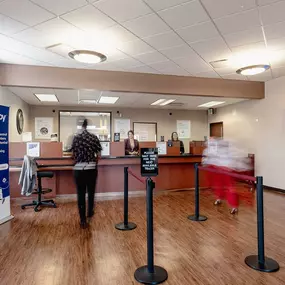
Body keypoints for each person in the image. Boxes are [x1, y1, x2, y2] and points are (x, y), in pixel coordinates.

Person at [71, 119, 102, 229]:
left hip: (78, 170)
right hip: (91, 168)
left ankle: (83, 220)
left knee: (80, 194)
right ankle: (90, 212)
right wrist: (94, 163)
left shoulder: (76, 138)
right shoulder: (93, 137)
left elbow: (73, 154)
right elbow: (99, 154)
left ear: (79, 126)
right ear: (87, 126)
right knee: (91, 192)